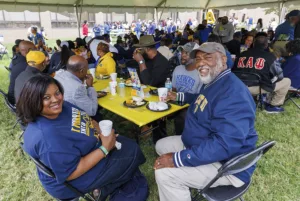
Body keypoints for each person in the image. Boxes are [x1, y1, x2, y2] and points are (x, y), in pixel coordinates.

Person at [154, 42, 258, 201]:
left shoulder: (233, 94)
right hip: (202, 145)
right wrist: (179, 96)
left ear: (223, 60)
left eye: (207, 57)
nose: (200, 63)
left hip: (226, 166)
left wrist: (177, 159)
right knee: (160, 145)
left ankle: (178, 181)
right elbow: (201, 100)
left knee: (164, 173)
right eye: (198, 59)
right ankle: (186, 178)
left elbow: (223, 145)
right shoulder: (214, 81)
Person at [18, 74, 146, 200]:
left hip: (88, 150)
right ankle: (102, 190)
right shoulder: (48, 137)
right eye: (46, 97)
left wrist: (102, 133)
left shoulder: (63, 107)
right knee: (132, 152)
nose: (56, 99)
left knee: (125, 145)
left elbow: (87, 119)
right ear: (34, 101)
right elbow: (71, 173)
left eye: (57, 93)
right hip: (71, 181)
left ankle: (106, 185)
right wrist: (105, 148)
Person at [233, 36, 291, 113]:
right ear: (266, 45)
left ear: (253, 44)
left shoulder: (242, 54)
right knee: (286, 81)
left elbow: (233, 71)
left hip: (238, 86)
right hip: (257, 88)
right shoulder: (270, 56)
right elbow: (279, 75)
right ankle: (273, 106)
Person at [171, 42, 203, 136]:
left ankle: (182, 138)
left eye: (187, 53)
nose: (183, 55)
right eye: (182, 52)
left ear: (195, 56)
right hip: (176, 101)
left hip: (191, 104)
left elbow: (199, 98)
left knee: (183, 114)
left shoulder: (201, 73)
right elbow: (173, 89)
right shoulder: (178, 69)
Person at [54, 55, 99, 119]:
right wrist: (90, 86)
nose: (87, 71)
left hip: (61, 110)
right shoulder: (78, 88)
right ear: (81, 71)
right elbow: (92, 111)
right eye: (86, 69)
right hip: (71, 117)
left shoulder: (59, 75)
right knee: (98, 116)